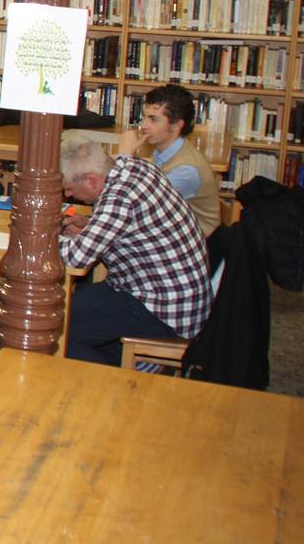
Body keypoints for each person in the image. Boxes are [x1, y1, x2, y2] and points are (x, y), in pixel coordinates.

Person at [58, 131, 212, 365]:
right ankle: (120, 364)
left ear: (91, 180)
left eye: (69, 188)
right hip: (157, 290)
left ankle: (115, 386)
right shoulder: (132, 167)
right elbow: (131, 224)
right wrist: (90, 225)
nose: (68, 195)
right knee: (62, 307)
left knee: (56, 326)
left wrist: (43, 239)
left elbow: (75, 259)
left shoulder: (119, 195)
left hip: (165, 308)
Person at [117, 83, 220, 237]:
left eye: (153, 119)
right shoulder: (163, 152)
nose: (144, 125)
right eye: (144, 117)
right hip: (172, 234)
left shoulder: (186, 170)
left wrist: (124, 154)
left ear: (176, 126)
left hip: (195, 248)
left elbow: (133, 206)